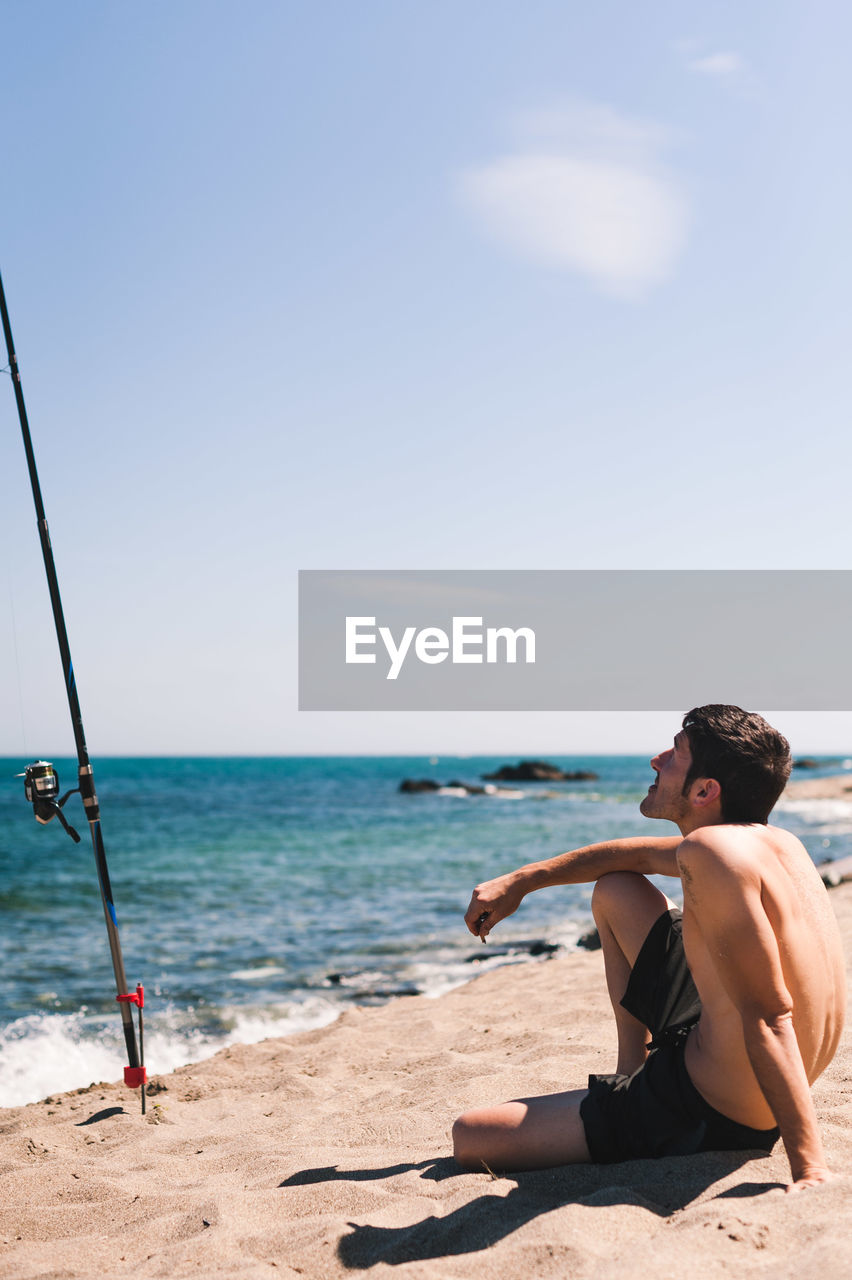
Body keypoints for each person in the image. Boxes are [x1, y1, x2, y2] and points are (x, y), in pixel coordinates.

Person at [453, 705, 845, 1191]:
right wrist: (522, 881)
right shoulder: (773, 842)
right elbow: (631, 855)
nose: (656, 760)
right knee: (618, 887)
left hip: (714, 1106)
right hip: (732, 1055)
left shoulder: (712, 855)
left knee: (471, 1136)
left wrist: (809, 1168)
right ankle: (631, 1072)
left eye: (675, 753)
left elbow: (769, 1014)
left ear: (705, 791)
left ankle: (635, 1100)